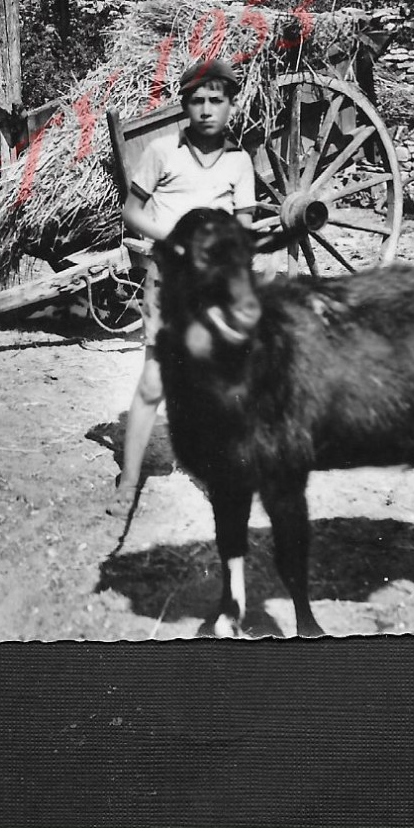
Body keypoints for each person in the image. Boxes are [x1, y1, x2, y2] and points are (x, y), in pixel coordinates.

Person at [107, 56, 258, 516]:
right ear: (184, 106)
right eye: (197, 101)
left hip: (215, 290)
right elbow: (132, 212)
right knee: (154, 382)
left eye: (217, 101)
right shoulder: (161, 153)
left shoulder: (239, 162)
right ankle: (130, 479)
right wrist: (172, 238)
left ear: (232, 106)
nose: (207, 110)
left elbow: (246, 227)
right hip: (169, 282)